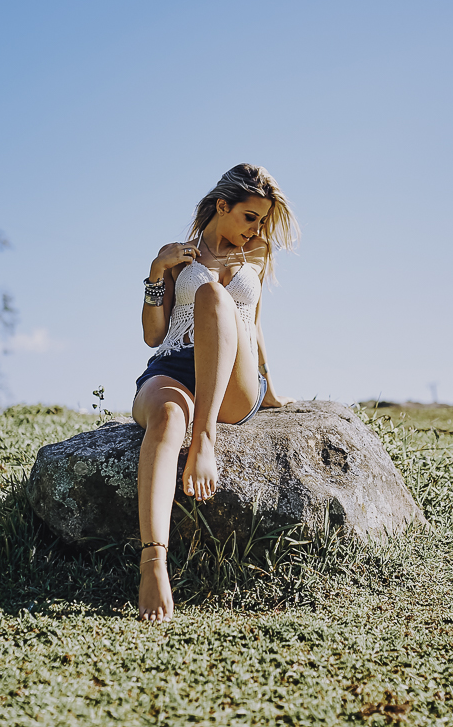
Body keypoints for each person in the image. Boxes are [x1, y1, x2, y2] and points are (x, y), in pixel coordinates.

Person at [132, 163, 299, 622]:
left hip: (234, 379)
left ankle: (203, 439)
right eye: (250, 217)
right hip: (173, 365)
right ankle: (154, 563)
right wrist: (155, 272)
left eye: (262, 220)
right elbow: (153, 335)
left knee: (213, 297)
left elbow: (256, 325)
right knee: (166, 419)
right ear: (222, 206)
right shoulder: (180, 255)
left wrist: (271, 389)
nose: (256, 229)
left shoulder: (259, 253)